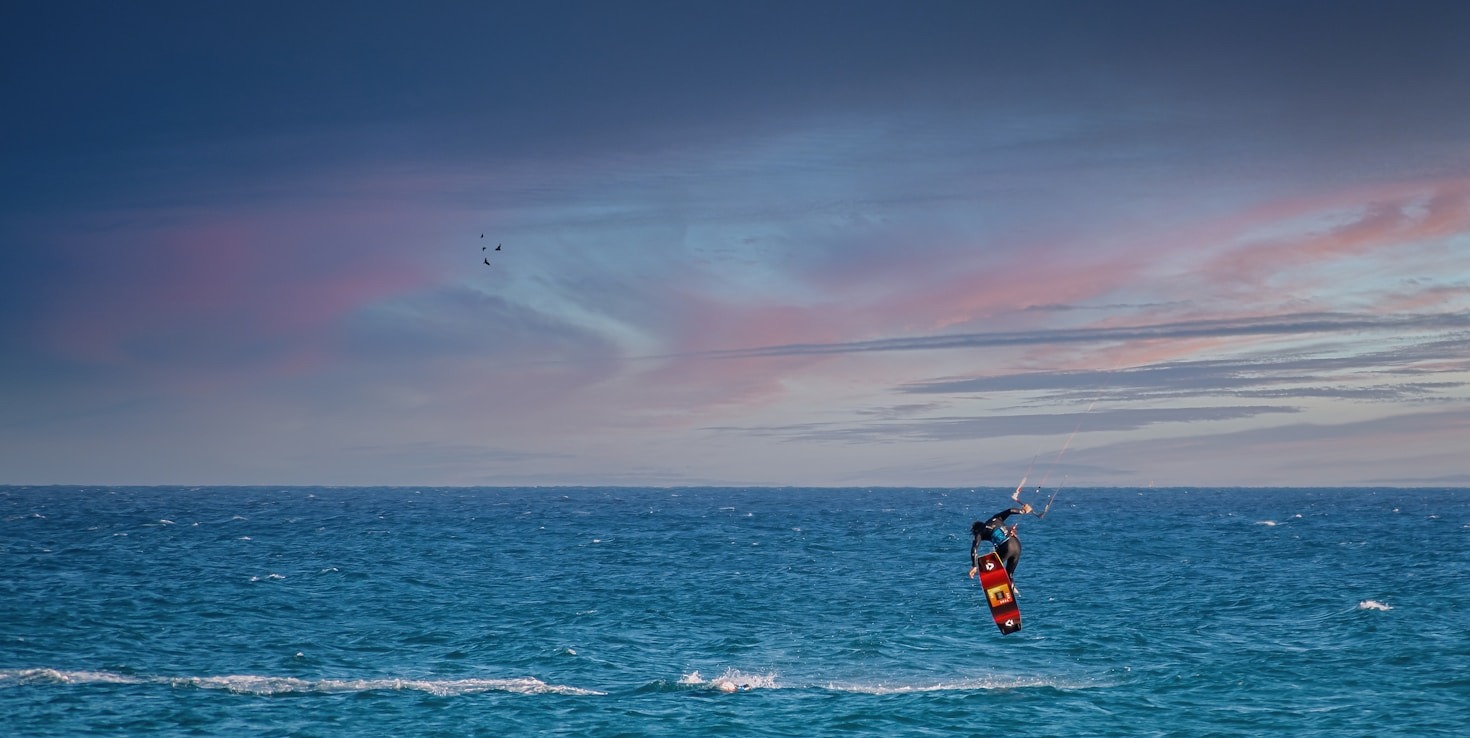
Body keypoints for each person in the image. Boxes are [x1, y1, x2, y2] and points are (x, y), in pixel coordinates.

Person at [969, 503, 1032, 580]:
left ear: (976, 530)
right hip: (1017, 545)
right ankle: (1011, 585)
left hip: (1007, 547)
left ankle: (996, 584)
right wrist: (1023, 511)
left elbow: (974, 549)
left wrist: (974, 566)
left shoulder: (979, 532)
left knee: (987, 569)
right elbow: (1010, 511)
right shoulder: (995, 518)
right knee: (1009, 574)